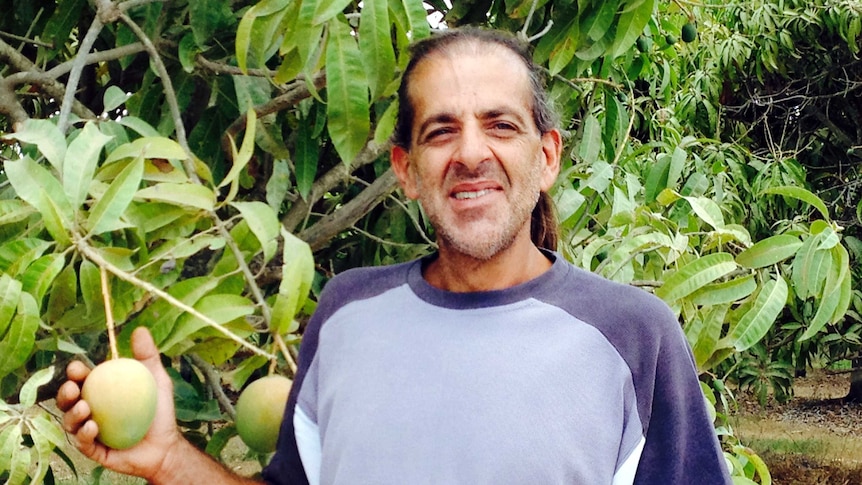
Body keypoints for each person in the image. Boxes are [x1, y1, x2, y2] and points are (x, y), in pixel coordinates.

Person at [58, 27, 733, 484]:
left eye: (500, 124)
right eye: (442, 131)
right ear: (406, 170)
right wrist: (170, 457)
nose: (471, 154)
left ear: (547, 155)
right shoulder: (347, 309)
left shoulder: (635, 336)